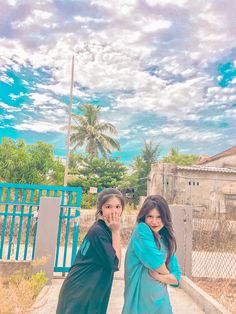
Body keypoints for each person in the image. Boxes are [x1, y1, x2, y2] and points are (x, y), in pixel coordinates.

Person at [56, 188, 125, 314]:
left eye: (117, 206)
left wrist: (114, 231)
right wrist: (116, 231)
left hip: (89, 290)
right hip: (80, 292)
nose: (114, 211)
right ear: (101, 209)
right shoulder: (99, 231)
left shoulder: (105, 228)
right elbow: (116, 263)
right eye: (108, 207)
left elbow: (116, 261)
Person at [122, 195, 182, 314]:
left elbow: (177, 279)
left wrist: (159, 277)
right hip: (139, 306)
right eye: (150, 216)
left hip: (162, 305)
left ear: (165, 218)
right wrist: (166, 275)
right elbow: (156, 263)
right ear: (143, 217)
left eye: (159, 217)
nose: (154, 222)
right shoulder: (141, 230)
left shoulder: (165, 241)